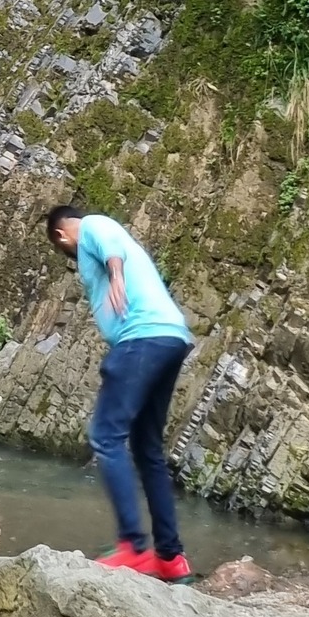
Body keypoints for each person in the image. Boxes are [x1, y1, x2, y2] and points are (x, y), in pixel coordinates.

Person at [45, 200, 194, 581]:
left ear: (61, 235)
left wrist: (115, 275)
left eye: (61, 248)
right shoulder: (103, 237)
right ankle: (170, 557)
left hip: (141, 339)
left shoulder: (92, 226)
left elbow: (109, 242)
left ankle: (133, 545)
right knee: (148, 451)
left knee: (106, 436)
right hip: (169, 337)